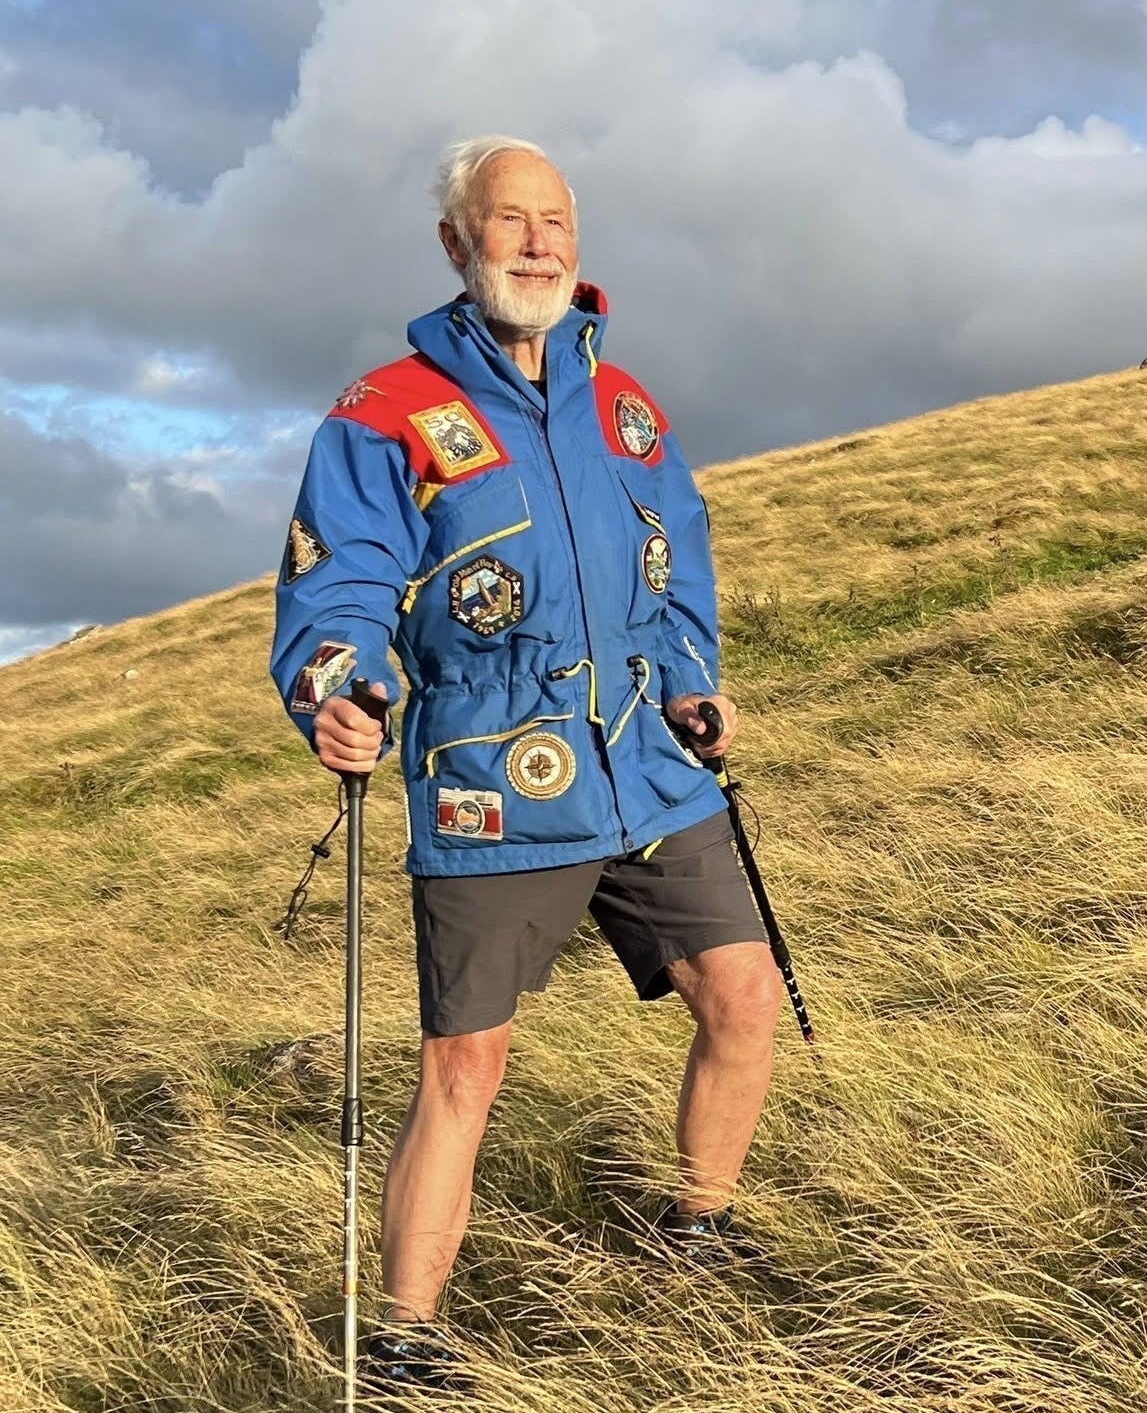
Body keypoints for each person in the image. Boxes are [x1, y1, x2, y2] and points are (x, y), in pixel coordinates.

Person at [270, 136, 782, 1389]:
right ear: (458, 243)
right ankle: (406, 1339)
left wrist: (693, 681)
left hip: (650, 770)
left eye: (556, 220)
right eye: (510, 220)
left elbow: (678, 569)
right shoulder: (384, 414)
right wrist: (341, 688)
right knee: (465, 1065)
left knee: (746, 997)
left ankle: (697, 1230)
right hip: (493, 781)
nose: (540, 242)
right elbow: (338, 582)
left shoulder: (628, 408)